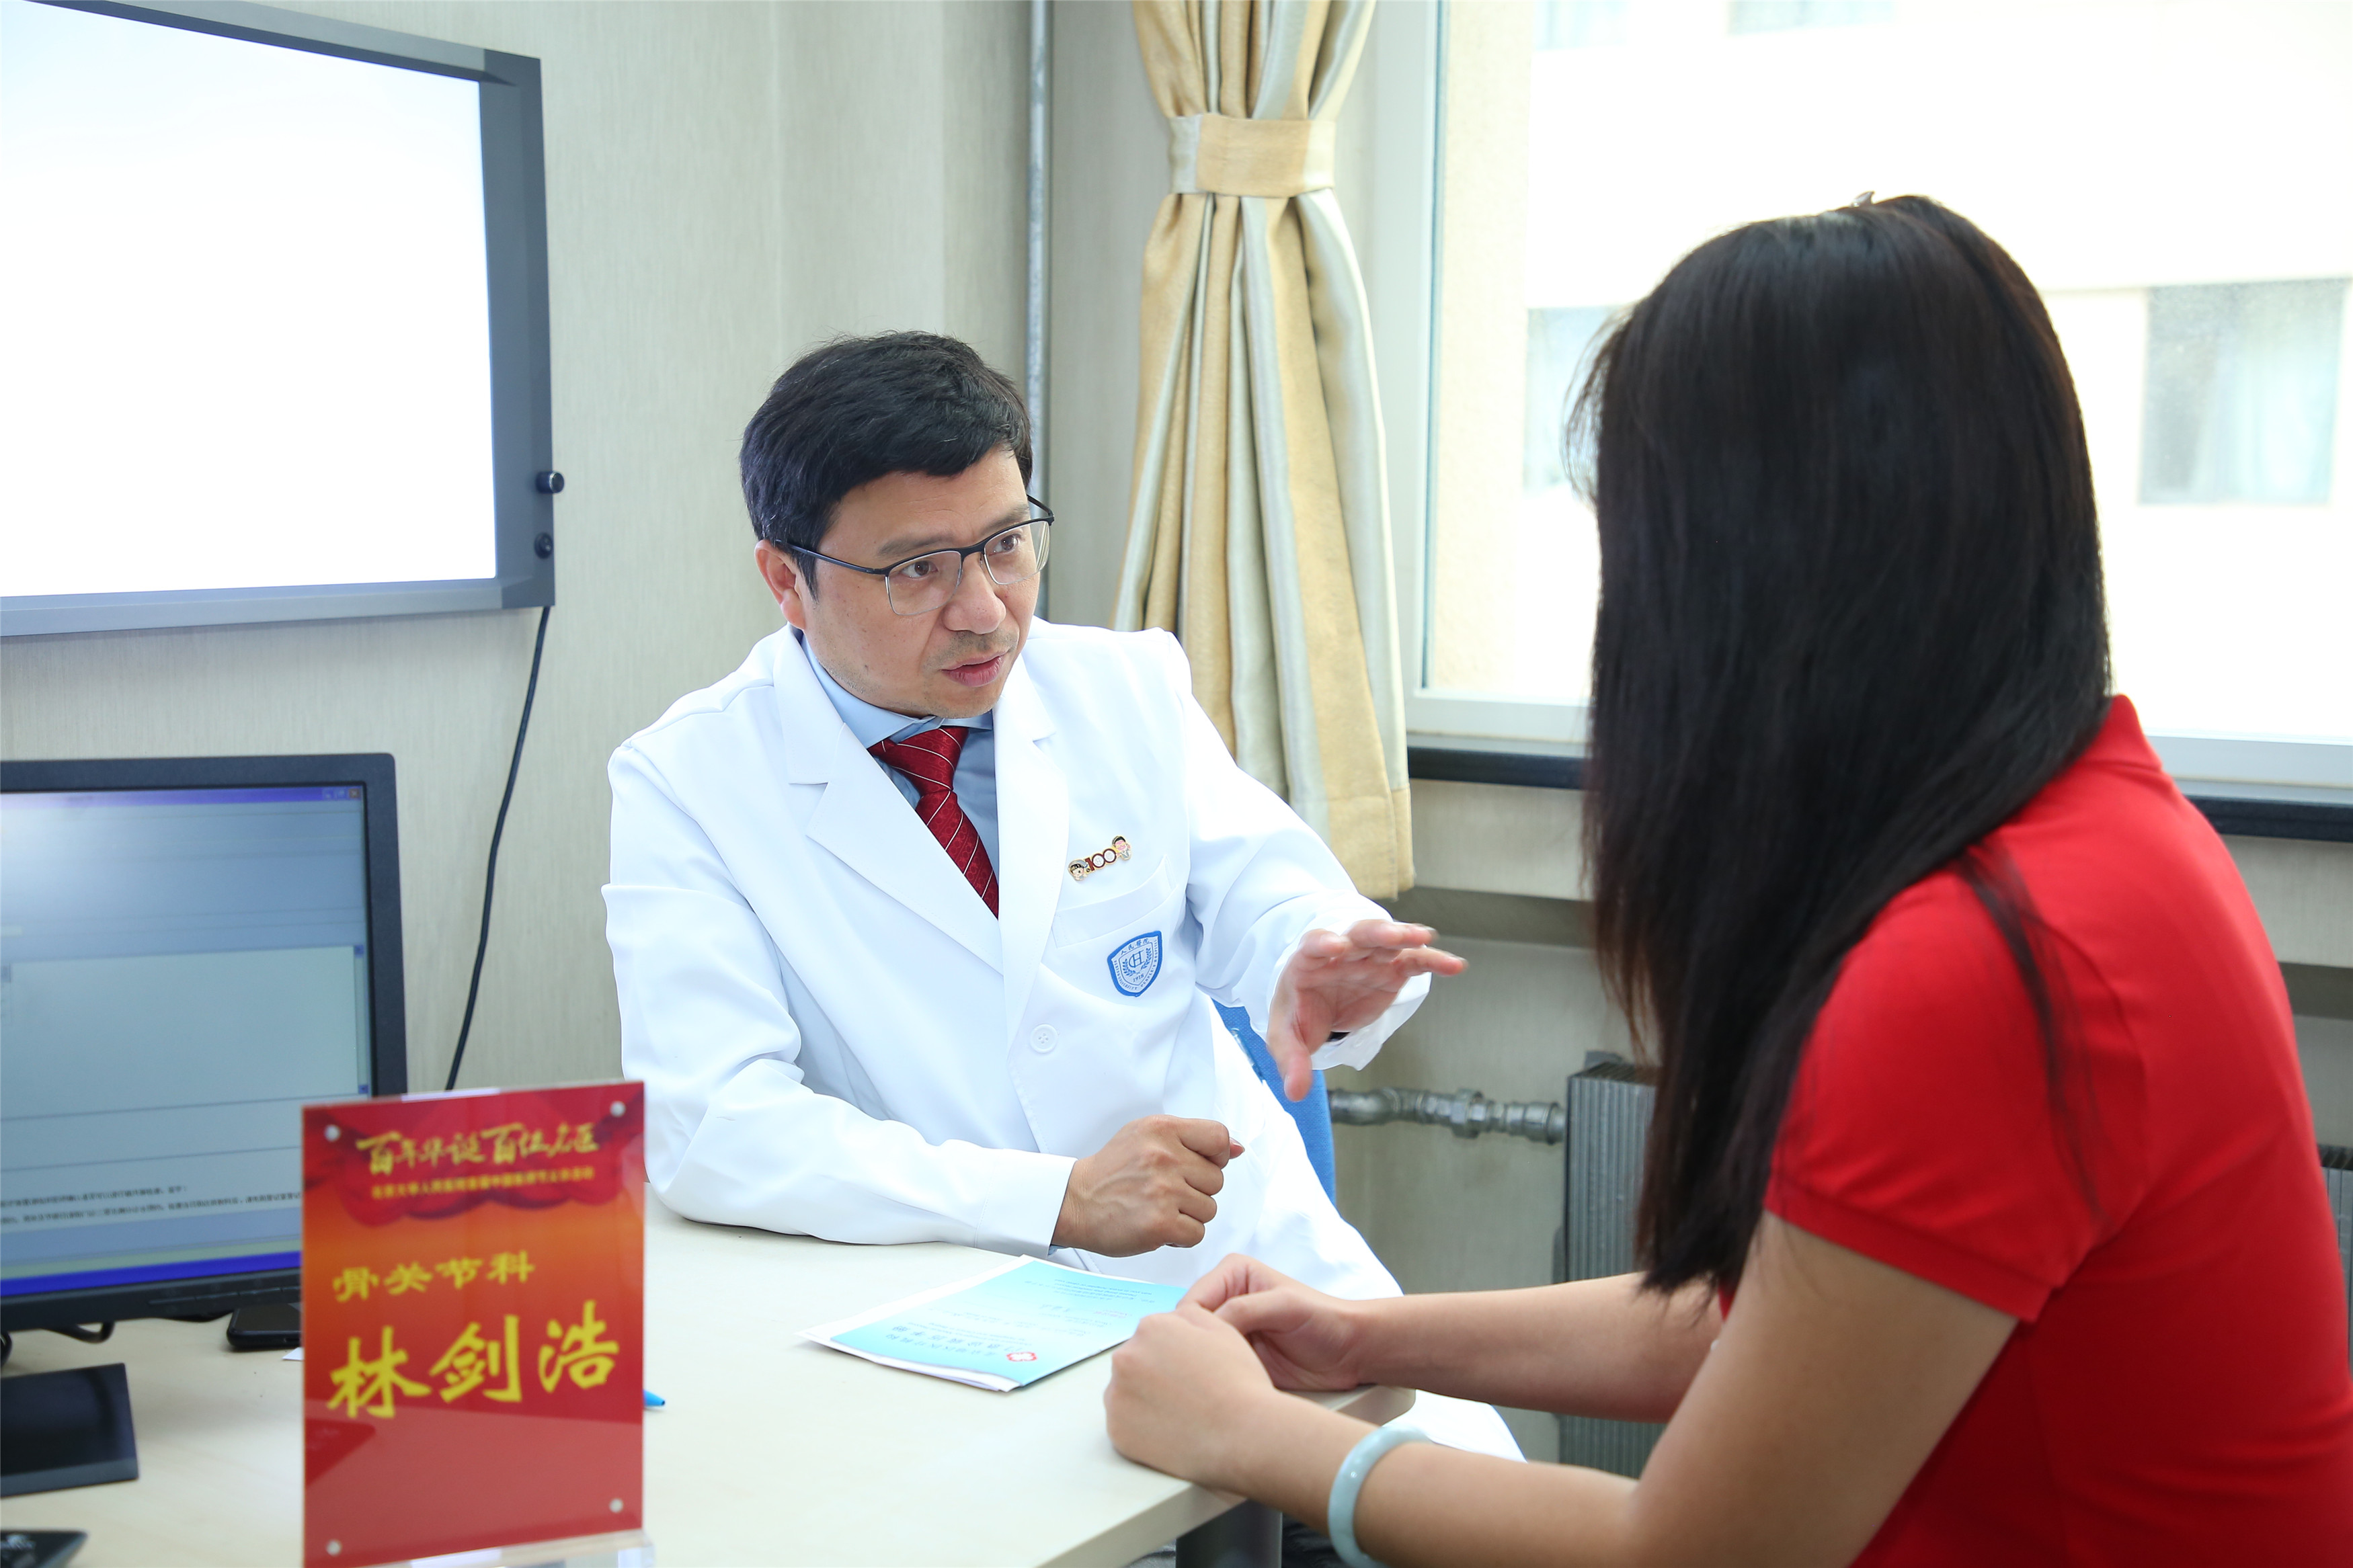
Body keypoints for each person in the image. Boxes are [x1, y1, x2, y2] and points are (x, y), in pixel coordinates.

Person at [1102, 196, 2353, 1565]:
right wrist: (1365, 1336)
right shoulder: (2104, 826)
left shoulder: (1982, 966)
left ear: (1745, 577)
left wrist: (1252, 1439)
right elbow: (1785, 1319)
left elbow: (1691, 1554)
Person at [603, 331, 1517, 1461]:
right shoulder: (690, 780)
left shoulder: (1123, 685)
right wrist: (1054, 1198)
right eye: (917, 570)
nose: (985, 610)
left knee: (1475, 1506)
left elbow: (1270, 892)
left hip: (1252, 1281)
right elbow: (713, 1126)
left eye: (1006, 545)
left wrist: (1313, 964)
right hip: (957, 1328)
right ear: (787, 579)